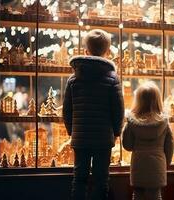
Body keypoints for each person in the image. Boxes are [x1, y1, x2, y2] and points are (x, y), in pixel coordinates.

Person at [63, 29, 124, 200]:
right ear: (107, 51)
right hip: (103, 138)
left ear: (85, 50)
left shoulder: (73, 79)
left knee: (79, 179)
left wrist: (71, 131)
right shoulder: (112, 78)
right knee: (101, 180)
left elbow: (67, 110)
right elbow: (118, 109)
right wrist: (116, 131)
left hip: (80, 137)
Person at [122, 82, 174, 200]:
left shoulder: (131, 122)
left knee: (137, 195)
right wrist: (167, 163)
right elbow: (169, 145)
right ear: (157, 100)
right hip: (157, 165)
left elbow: (127, 145)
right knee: (156, 195)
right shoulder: (164, 122)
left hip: (138, 165)